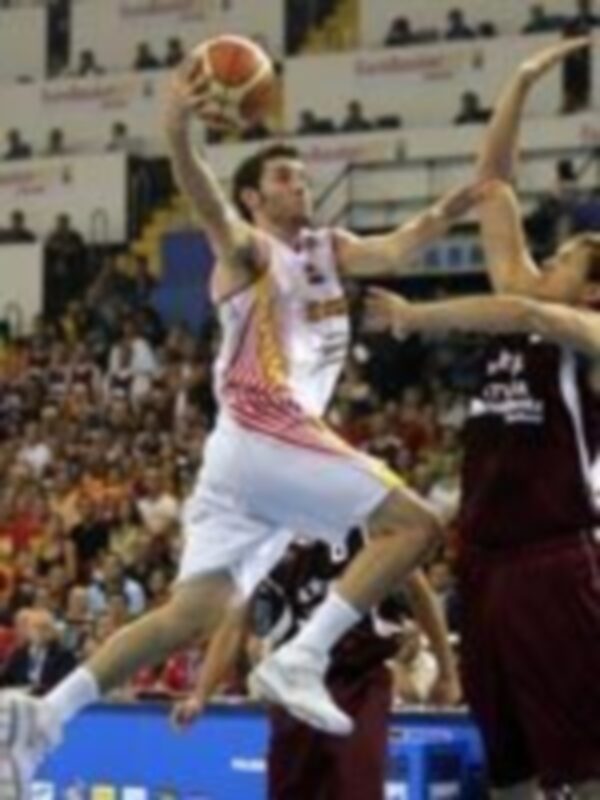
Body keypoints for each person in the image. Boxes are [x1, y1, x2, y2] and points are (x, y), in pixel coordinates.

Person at [0, 56, 476, 795]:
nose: (299, 184)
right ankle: (302, 656)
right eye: (282, 177)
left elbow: (401, 243)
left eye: (300, 174)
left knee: (193, 612)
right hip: (264, 423)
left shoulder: (328, 250)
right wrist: (177, 131)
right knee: (413, 526)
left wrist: (462, 201)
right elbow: (206, 201)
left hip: (246, 454)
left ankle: (42, 717)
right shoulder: (252, 253)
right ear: (256, 197)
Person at [364, 37, 600, 800]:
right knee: (509, 764)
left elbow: (528, 303)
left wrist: (413, 317)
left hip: (553, 560)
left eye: (564, 257)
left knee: (585, 756)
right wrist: (523, 82)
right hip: (484, 562)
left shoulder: (586, 334)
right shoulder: (518, 310)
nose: (546, 262)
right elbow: (494, 187)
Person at [172, 530, 459, 800]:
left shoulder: (365, 520)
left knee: (357, 788)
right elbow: (233, 627)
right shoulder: (263, 542)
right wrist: (200, 694)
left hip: (357, 681)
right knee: (292, 790)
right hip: (293, 689)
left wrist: (447, 671)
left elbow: (420, 593)